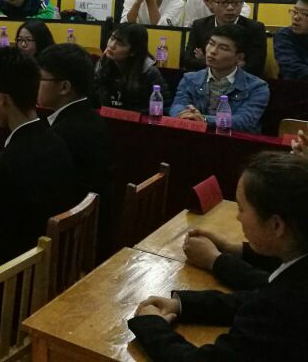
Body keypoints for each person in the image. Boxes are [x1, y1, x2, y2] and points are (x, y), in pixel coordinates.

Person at [128, 152, 308, 361]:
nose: (238, 217)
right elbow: (258, 294)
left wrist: (151, 325)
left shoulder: (277, 308)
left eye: (242, 208)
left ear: (276, 225)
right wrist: (183, 305)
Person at [0, 48, 82, 270]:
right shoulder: (56, 140)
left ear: (1, 99)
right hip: (57, 260)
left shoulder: (4, 166)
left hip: (24, 271)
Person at [37, 43, 112, 253]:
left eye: (41, 79)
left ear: (64, 87)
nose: (35, 84)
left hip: (69, 238)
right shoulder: (89, 117)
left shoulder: (62, 134)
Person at [170, 25, 270, 133]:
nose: (212, 51)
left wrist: (204, 120)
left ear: (239, 57)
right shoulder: (190, 78)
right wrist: (185, 116)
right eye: (211, 44)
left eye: (223, 48)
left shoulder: (257, 87)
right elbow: (177, 106)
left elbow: (244, 120)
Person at [184, 0, 267, 78]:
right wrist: (231, 64)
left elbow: (255, 68)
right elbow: (188, 61)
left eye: (236, 2)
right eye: (223, 2)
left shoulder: (255, 29)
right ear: (210, 3)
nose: (230, 7)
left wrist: (205, 60)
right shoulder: (200, 25)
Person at [94, 23, 170, 114]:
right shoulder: (102, 64)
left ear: (133, 51)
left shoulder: (150, 72)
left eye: (120, 43)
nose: (112, 45)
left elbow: (164, 108)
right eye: (112, 38)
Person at [273, 0, 308, 79]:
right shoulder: (284, 35)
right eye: (295, 11)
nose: (296, 17)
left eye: (304, 14)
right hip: (295, 85)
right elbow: (293, 70)